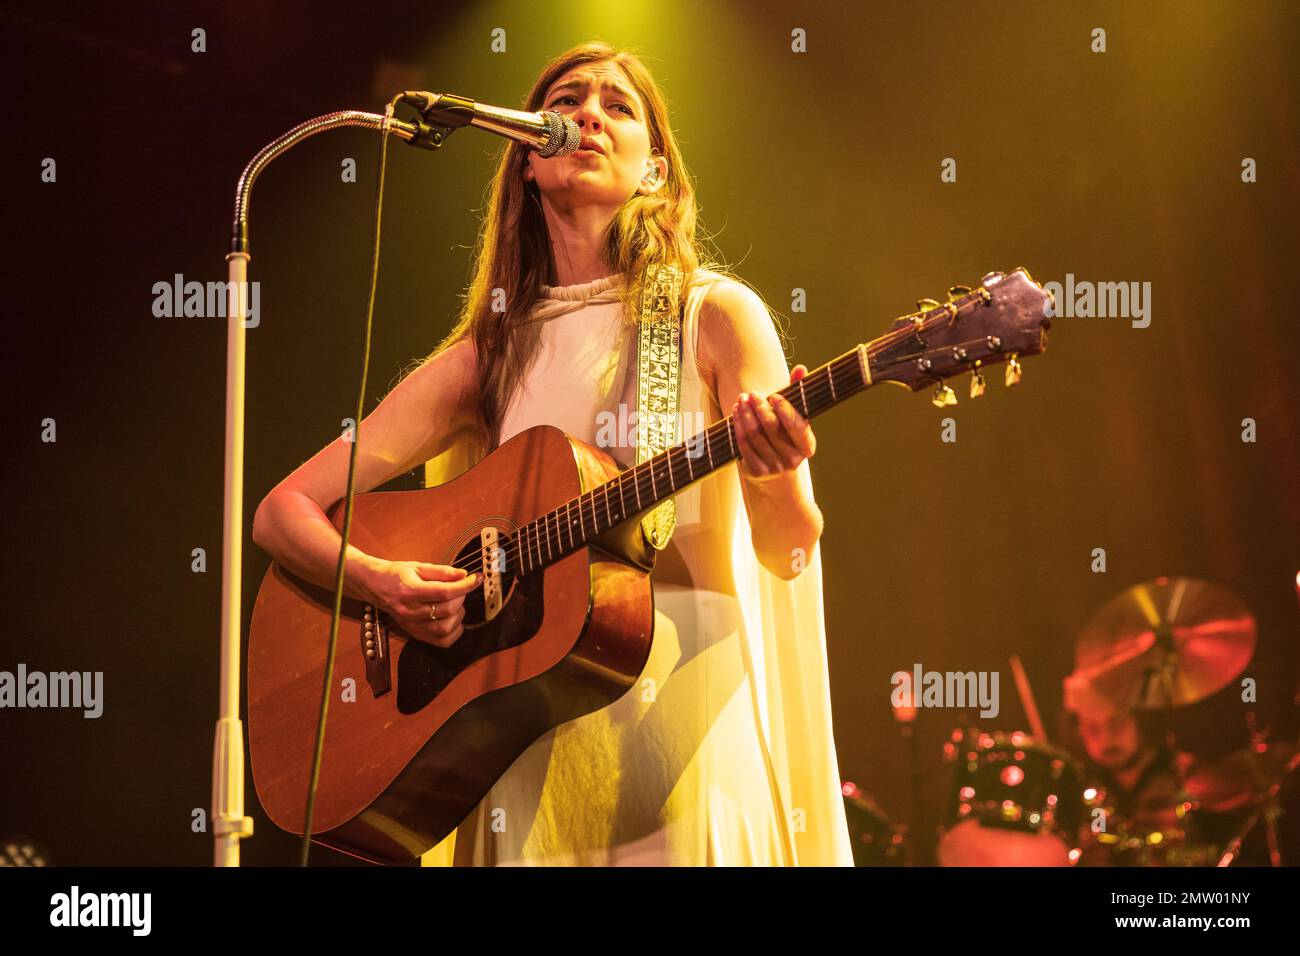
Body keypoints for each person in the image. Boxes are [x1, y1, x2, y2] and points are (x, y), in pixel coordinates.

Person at [252, 40, 853, 866]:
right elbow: (280, 511)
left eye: (618, 107)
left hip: (683, 730)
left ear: (655, 169)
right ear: (528, 162)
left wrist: (776, 468)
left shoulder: (715, 314)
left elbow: (790, 550)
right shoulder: (489, 351)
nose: (587, 117)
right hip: (522, 735)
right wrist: (383, 584)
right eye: (568, 100)